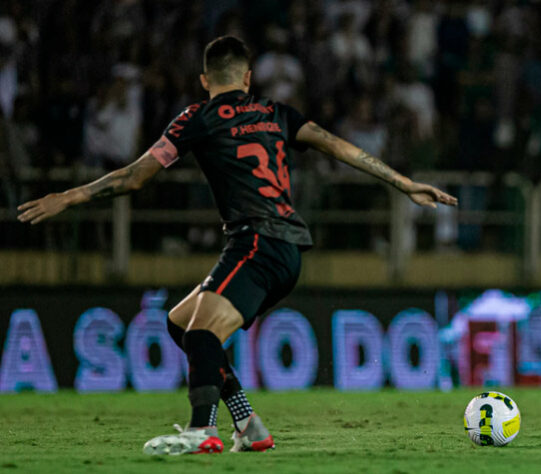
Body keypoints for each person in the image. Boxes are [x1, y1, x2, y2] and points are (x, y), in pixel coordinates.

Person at [17, 36, 457, 455]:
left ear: (205, 80)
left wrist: (69, 196)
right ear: (248, 78)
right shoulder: (277, 111)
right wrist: (403, 183)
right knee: (180, 324)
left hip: (255, 243)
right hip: (285, 250)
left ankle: (201, 430)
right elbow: (338, 146)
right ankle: (248, 425)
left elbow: (135, 177)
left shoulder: (197, 118)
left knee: (201, 333)